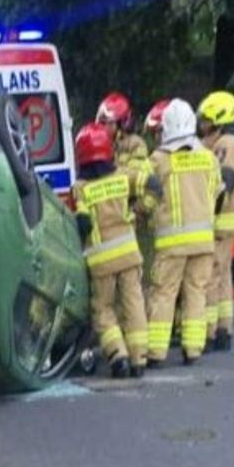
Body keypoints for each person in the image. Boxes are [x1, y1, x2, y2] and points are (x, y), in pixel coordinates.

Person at [72, 122, 162, 378]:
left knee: (103, 310)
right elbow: (154, 185)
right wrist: (141, 209)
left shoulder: (81, 189)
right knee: (134, 304)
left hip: (101, 261)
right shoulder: (124, 177)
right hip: (129, 254)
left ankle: (117, 355)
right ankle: (139, 359)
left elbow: (82, 222)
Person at [145, 99, 224, 367]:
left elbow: (145, 196)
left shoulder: (157, 160)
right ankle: (193, 350)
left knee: (164, 294)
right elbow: (218, 194)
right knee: (196, 293)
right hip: (203, 241)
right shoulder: (208, 158)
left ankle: (156, 353)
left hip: (171, 245)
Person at [197, 90, 234, 352]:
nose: (202, 124)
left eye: (206, 119)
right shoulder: (224, 141)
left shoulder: (226, 143)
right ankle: (224, 329)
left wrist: (212, 207)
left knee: (212, 273)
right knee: (224, 274)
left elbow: (226, 179)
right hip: (228, 218)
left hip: (222, 218)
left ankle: (208, 331)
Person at [96, 92, 149, 167]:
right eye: (102, 123)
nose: (104, 127)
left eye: (109, 123)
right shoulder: (98, 146)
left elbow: (137, 171)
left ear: (121, 123)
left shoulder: (135, 143)